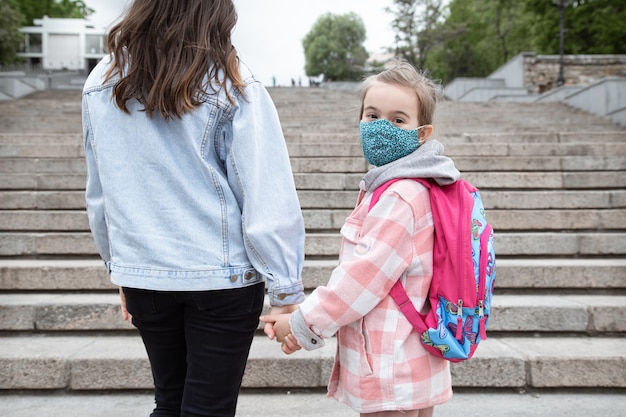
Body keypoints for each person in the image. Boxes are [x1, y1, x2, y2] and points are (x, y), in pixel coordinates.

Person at [81, 1, 305, 416]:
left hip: (145, 275)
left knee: (169, 401)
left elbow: (100, 191)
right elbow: (264, 189)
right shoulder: (231, 79)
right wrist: (286, 288)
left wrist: (121, 266)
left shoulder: (102, 79)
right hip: (223, 278)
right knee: (208, 409)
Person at [261, 61, 459, 417]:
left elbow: (362, 279)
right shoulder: (410, 187)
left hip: (389, 365)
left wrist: (303, 321)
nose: (381, 127)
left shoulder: (399, 196)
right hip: (413, 361)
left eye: (398, 120)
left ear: (422, 133)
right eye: (371, 115)